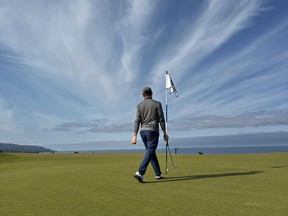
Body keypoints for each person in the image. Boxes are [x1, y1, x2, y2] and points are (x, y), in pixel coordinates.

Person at [131, 87, 169, 183]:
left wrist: (134, 135)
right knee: (150, 151)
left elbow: (137, 121)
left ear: (142, 94)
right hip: (153, 131)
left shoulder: (139, 106)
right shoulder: (157, 104)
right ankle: (140, 172)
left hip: (143, 132)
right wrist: (165, 133)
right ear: (151, 93)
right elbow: (161, 119)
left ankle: (158, 173)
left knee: (150, 152)